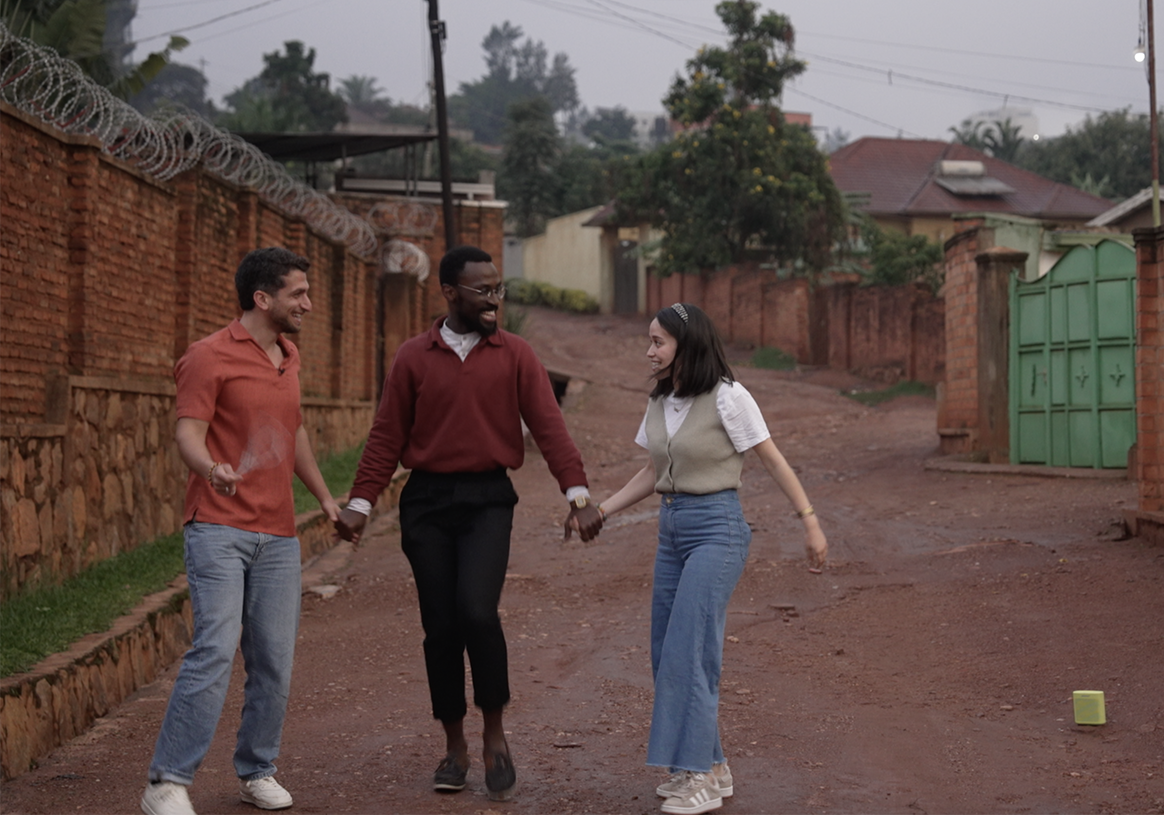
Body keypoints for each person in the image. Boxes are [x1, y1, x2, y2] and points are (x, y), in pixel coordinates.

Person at [337, 245, 603, 800]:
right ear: (450, 293)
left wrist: (578, 497)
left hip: (487, 500)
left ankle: (495, 736)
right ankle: (454, 747)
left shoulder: (516, 355)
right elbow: (387, 434)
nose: (494, 299)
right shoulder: (414, 356)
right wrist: (361, 503)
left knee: (477, 613)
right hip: (427, 502)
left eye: (498, 288)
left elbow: (549, 427)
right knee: (441, 626)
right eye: (482, 290)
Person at [580, 302, 828, 815]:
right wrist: (602, 509)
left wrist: (809, 521)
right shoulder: (660, 401)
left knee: (687, 651)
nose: (649, 351)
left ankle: (696, 775)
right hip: (672, 533)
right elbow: (652, 473)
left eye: (658, 342)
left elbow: (772, 458)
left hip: (718, 531)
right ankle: (713, 766)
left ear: (684, 346)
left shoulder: (729, 398)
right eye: (649, 341)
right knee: (665, 649)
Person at [142, 247, 349, 815]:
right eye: (298, 294)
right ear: (263, 298)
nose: (308, 303)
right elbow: (188, 432)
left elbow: (293, 432)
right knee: (214, 648)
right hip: (217, 527)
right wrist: (212, 468)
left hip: (278, 534)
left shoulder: (289, 356)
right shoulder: (208, 356)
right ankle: (166, 781)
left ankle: (257, 770)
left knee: (274, 659)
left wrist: (327, 500)